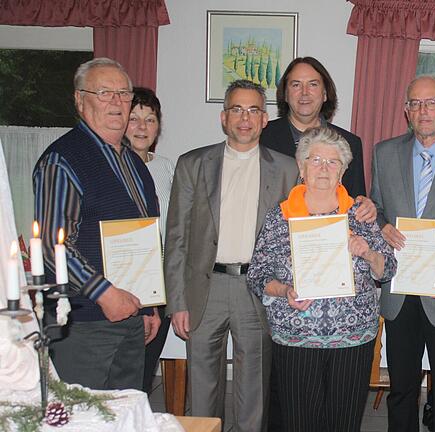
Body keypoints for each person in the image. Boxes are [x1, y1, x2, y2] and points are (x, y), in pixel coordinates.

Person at [164, 80, 298, 431]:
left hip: (257, 289)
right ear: (224, 118)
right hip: (203, 290)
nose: (245, 118)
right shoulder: (192, 164)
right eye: (237, 109)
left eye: (253, 110)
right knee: (202, 386)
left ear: (265, 119)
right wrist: (177, 301)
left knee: (253, 391)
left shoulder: (287, 169)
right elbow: (176, 237)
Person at [247, 126, 396, 432]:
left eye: (333, 162)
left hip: (352, 340)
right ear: (301, 168)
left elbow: (389, 268)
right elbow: (258, 274)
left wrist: (368, 253)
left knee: (344, 423)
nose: (324, 168)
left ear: (343, 172)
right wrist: (285, 289)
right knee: (300, 423)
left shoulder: (361, 214)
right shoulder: (281, 216)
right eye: (315, 160)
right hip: (296, 337)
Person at [33, 57, 161, 390]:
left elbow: (142, 238)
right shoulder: (62, 160)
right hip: (83, 323)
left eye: (124, 93)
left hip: (131, 317)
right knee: (82, 417)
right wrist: (104, 294)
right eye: (105, 93)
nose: (117, 102)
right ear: (80, 99)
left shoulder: (134, 162)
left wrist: (148, 304)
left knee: (123, 414)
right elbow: (52, 243)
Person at [369, 75, 435, 432]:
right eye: (415, 103)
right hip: (400, 289)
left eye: (432, 103)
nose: (423, 110)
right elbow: (378, 208)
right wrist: (381, 225)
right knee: (402, 388)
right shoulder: (384, 153)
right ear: (405, 111)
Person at [124, 87, 176, 393]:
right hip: (126, 283)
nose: (142, 127)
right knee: (126, 372)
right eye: (134, 118)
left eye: (150, 119)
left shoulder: (166, 167)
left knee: (145, 370)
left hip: (162, 284)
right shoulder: (113, 166)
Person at [259, 56, 366, 198]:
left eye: (313, 84)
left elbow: (356, 201)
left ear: (325, 94)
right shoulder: (262, 138)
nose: (304, 92)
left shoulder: (350, 143)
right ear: (285, 94)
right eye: (296, 85)